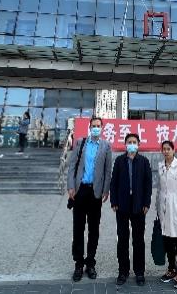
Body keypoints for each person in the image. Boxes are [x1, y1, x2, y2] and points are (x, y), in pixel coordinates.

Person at [67, 116, 112, 282]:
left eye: (98, 126)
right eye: (94, 125)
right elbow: (72, 166)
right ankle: (78, 264)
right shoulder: (81, 143)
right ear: (89, 127)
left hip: (95, 193)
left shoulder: (106, 146)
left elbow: (108, 170)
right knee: (78, 229)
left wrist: (106, 190)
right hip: (80, 191)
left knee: (94, 230)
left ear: (102, 128)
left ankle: (90, 263)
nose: (96, 128)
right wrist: (71, 186)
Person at [110, 133, 152, 287]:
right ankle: (123, 271)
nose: (132, 144)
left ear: (138, 145)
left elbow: (148, 184)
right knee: (122, 240)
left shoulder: (144, 161)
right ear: (125, 144)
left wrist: (146, 203)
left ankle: (139, 272)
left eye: (134, 142)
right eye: (129, 142)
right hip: (122, 205)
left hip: (139, 206)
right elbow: (113, 182)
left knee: (138, 240)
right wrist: (114, 201)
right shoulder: (119, 161)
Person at [156, 140, 177, 290]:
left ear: (174, 150)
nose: (166, 151)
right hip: (163, 207)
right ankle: (171, 269)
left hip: (176, 207)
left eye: (168, 149)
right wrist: (157, 207)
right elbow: (160, 189)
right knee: (167, 240)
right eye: (163, 149)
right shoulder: (160, 166)